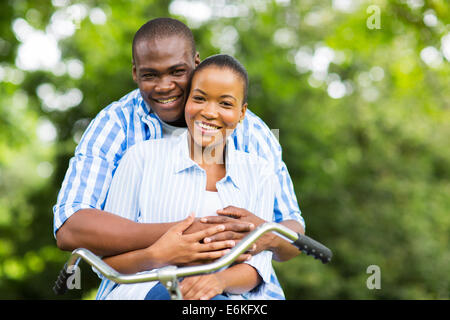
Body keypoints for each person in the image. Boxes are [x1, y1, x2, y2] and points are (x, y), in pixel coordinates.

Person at [53, 18, 305, 299]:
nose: (165, 86)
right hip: (148, 287)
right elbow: (70, 227)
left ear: (195, 62)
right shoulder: (124, 134)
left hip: (242, 295)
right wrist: (178, 240)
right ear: (135, 73)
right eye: (151, 75)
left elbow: (291, 230)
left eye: (177, 71)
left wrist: (259, 234)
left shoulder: (254, 140)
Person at [98, 54, 279, 300]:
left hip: (222, 297)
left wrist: (217, 281)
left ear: (242, 113)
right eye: (199, 99)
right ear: (187, 101)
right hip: (142, 291)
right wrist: (159, 255)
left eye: (225, 104)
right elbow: (105, 262)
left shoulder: (260, 173)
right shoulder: (141, 158)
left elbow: (257, 268)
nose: (209, 112)